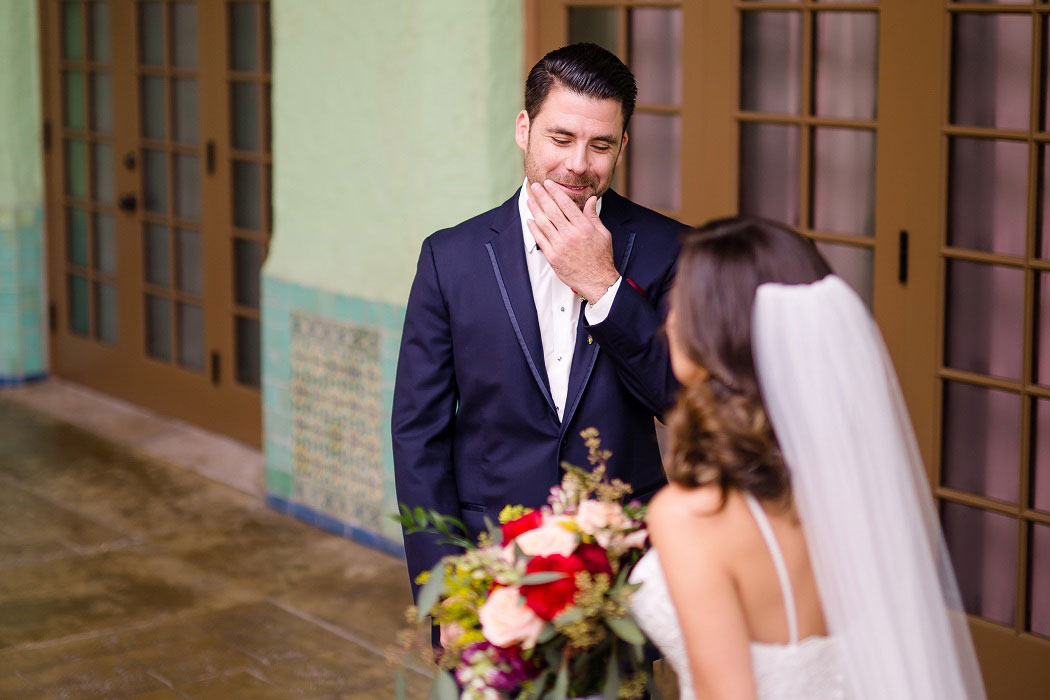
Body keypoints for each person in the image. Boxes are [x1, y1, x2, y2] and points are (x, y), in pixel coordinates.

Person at [630, 217, 986, 699]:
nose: (669, 318)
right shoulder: (863, 494)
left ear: (722, 330)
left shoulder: (691, 517)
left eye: (683, 300)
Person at [392, 43, 685, 610]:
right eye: (561, 138)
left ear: (623, 145)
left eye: (600, 144)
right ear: (524, 128)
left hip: (624, 570)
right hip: (489, 568)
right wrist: (444, 596)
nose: (579, 163)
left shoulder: (668, 248)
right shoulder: (448, 258)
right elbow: (418, 438)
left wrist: (605, 289)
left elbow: (683, 404)